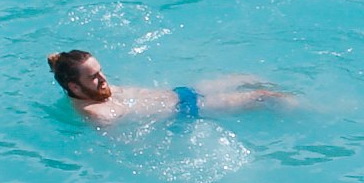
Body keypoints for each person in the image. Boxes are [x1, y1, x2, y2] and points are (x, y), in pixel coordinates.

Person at [49, 50, 292, 123]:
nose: (103, 79)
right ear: (76, 87)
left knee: (244, 77)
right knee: (267, 97)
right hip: (191, 110)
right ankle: (320, 112)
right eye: (94, 76)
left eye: (101, 71)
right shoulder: (95, 112)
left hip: (182, 92)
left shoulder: (100, 92)